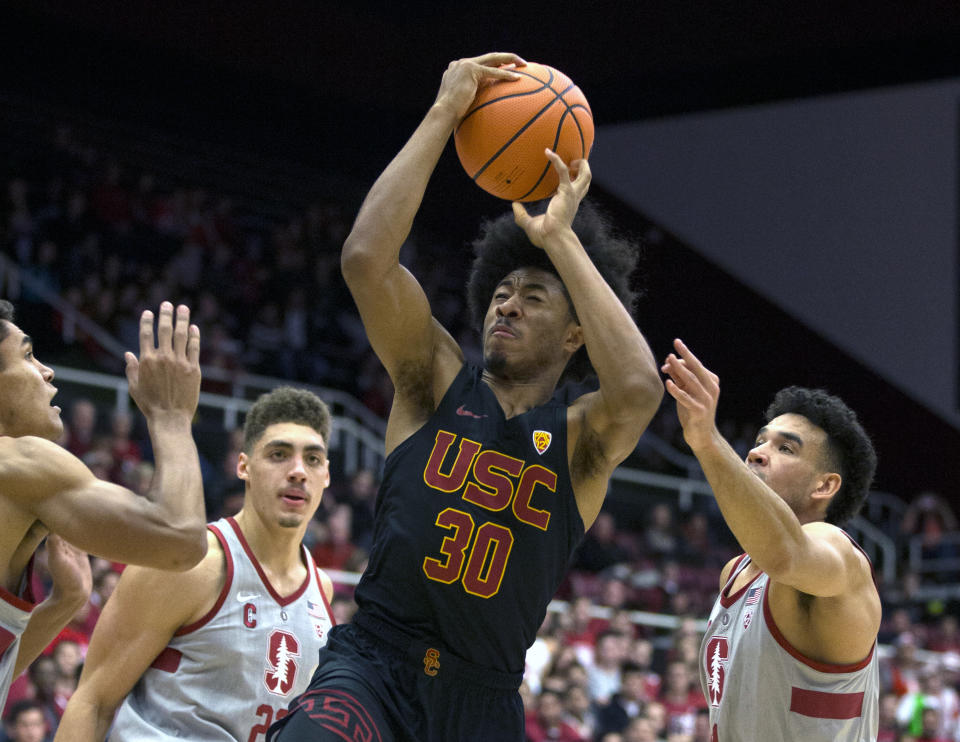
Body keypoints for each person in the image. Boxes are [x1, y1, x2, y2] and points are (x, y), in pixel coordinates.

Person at [269, 52, 662, 742]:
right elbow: (365, 260)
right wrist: (445, 113)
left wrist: (560, 241)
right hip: (374, 665)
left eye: (531, 297)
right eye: (500, 294)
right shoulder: (435, 379)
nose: (505, 307)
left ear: (576, 333)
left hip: (482, 699)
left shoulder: (579, 440)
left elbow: (637, 388)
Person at [56, 387, 337, 740]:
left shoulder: (321, 591)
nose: (298, 471)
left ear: (326, 475)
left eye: (312, 459)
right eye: (279, 454)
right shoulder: (192, 563)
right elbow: (93, 702)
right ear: (244, 467)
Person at [661, 339, 880, 741]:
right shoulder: (735, 571)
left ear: (825, 485)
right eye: (761, 440)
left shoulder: (837, 552)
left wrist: (707, 440)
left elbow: (787, 555)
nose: (758, 453)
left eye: (785, 449)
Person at [0, 300, 208, 709]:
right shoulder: (19, 462)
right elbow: (180, 538)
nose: (46, 370)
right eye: (26, 355)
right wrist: (171, 416)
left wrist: (65, 603)